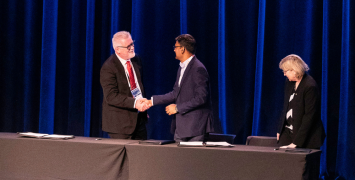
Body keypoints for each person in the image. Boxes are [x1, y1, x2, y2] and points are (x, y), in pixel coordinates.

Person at [147, 34, 214, 142]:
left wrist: (177, 108)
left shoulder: (198, 69)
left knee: (192, 159)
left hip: (195, 127)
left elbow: (201, 98)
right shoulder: (182, 67)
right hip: (182, 128)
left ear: (182, 49)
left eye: (175, 47)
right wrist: (151, 101)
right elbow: (175, 93)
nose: (174, 50)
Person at [100, 31, 149, 139]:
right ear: (118, 49)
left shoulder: (136, 60)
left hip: (139, 119)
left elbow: (137, 86)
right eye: (128, 46)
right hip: (120, 124)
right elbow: (111, 97)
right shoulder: (109, 67)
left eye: (132, 43)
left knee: (143, 154)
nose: (132, 48)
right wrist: (135, 103)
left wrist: (142, 105)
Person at [277, 54, 325, 149]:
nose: (284, 74)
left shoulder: (310, 86)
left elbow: (310, 116)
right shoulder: (289, 82)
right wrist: (280, 130)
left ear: (294, 70)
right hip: (288, 133)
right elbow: (286, 107)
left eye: (285, 71)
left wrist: (296, 142)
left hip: (306, 137)